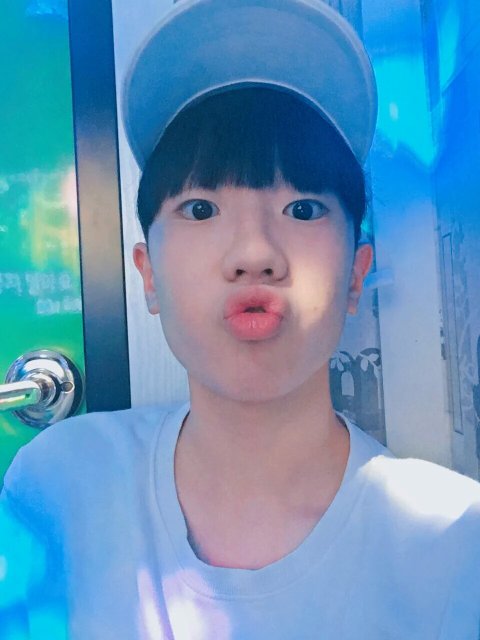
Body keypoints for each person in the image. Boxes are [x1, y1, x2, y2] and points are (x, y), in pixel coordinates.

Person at [1, 1, 480, 638]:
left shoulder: (453, 547)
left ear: (356, 275)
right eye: (201, 209)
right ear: (148, 274)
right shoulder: (57, 487)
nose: (254, 253)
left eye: (303, 209)